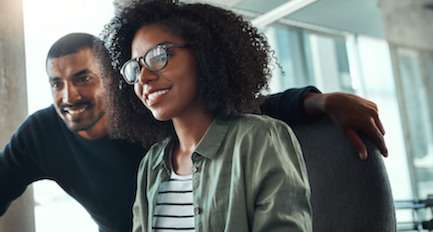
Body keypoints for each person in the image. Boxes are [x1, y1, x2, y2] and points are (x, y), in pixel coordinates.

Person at [0, 32, 386, 231]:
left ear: (113, 80)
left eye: (83, 78)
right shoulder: (41, 133)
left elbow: (255, 107)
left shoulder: (153, 109)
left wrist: (322, 101)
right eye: (56, 83)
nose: (68, 96)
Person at [101, 0, 311, 231]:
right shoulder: (151, 164)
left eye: (159, 56)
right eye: (136, 67)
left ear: (203, 53)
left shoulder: (259, 138)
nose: (144, 78)